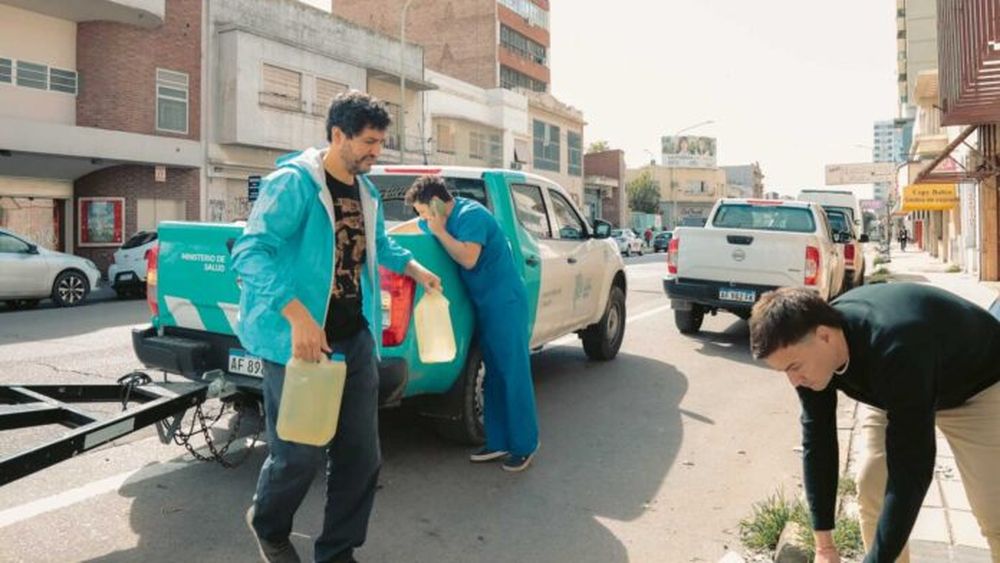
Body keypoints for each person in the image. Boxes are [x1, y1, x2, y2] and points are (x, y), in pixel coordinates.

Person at [232, 91, 441, 563]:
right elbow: (250, 251)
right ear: (338, 135)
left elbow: (379, 245)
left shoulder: (367, 192)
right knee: (298, 454)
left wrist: (415, 270)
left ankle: (338, 551)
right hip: (300, 342)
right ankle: (268, 524)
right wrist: (298, 316)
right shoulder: (294, 184)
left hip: (354, 338)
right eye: (368, 142)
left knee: (361, 457)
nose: (376, 152)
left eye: (381, 142)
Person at [749, 285, 1000, 563]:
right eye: (785, 371)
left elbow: (911, 470)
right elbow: (818, 441)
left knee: (994, 508)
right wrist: (824, 547)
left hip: (977, 384)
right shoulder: (815, 358)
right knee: (873, 488)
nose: (794, 381)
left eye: (794, 367)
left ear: (824, 336)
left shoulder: (895, 346)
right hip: (897, 389)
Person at [404, 175, 540, 472]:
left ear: (436, 203)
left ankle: (524, 445)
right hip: (484, 305)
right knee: (492, 374)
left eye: (424, 212)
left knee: (512, 373)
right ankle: (498, 440)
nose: (423, 218)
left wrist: (439, 231)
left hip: (504, 302)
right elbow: (412, 228)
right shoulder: (440, 218)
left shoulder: (471, 215)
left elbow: (468, 258)